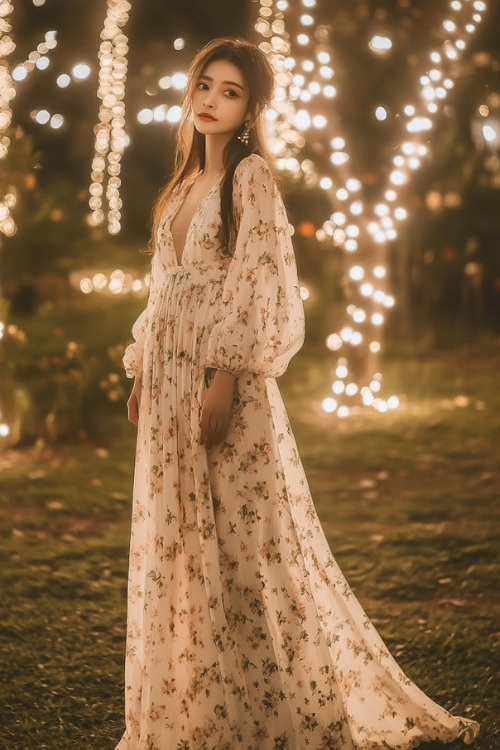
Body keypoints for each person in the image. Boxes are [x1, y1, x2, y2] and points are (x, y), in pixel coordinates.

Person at [116, 37, 479, 750]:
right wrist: (142, 371)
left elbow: (260, 280)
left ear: (251, 109)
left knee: (246, 548)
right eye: (205, 85)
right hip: (169, 382)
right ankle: (195, 709)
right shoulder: (184, 184)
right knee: (184, 546)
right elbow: (167, 287)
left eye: (230, 91)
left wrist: (224, 373)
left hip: (226, 382)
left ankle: (268, 715)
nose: (211, 99)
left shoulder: (250, 179)